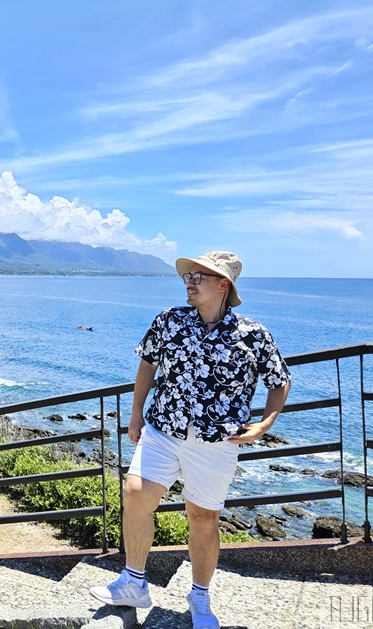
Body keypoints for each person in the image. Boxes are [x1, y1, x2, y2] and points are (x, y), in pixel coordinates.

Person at [89, 251, 291, 629]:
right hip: (163, 429)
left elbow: (279, 381)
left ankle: (199, 596)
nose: (190, 281)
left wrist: (265, 424)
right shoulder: (169, 320)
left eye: (200, 276)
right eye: (188, 275)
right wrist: (136, 414)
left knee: (203, 518)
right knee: (136, 494)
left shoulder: (253, 334)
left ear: (223, 285)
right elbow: (147, 364)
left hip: (217, 443)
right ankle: (134, 581)